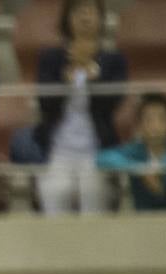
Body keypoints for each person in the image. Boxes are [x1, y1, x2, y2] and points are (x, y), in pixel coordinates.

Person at [30, 0, 127, 215]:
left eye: (90, 11)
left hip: (97, 150)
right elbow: (45, 103)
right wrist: (65, 80)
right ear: (67, 19)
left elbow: (113, 103)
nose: (85, 16)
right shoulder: (50, 58)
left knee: (93, 193)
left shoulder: (114, 61)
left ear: (101, 19)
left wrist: (91, 71)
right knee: (54, 192)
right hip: (58, 149)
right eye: (78, 11)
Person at [96, 93, 166, 211]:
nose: (156, 125)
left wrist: (162, 167)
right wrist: (140, 169)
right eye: (149, 119)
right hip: (144, 221)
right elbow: (102, 159)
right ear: (139, 125)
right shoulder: (135, 150)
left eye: (162, 119)